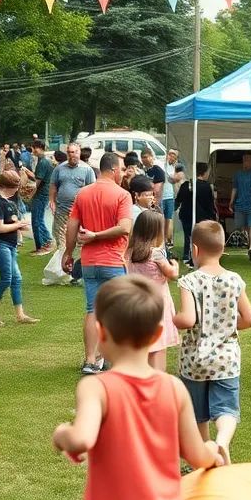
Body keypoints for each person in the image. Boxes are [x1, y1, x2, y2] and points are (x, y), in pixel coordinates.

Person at [52, 276, 223, 500]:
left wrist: (62, 434)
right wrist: (214, 451)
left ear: (100, 332)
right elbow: (196, 455)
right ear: (158, 334)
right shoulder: (174, 389)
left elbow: (82, 438)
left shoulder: (97, 387)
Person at [177, 220, 251, 465]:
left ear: (195, 249)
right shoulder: (234, 280)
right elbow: (249, 319)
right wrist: (228, 329)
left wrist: (173, 318)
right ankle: (222, 440)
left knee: (197, 413)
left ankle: (205, 457)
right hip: (227, 359)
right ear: (223, 249)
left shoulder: (189, 281)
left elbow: (188, 319)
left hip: (195, 360)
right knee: (227, 410)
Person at [63, 152, 133, 375]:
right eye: (121, 169)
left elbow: (72, 226)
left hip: (89, 262)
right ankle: (113, 357)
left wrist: (67, 252)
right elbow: (125, 228)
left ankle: (91, 360)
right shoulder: (122, 195)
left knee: (92, 310)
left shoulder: (83, 194)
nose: (122, 173)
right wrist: (96, 235)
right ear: (113, 170)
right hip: (113, 260)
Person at [125, 209, 180, 372]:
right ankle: (157, 380)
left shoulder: (130, 252)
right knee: (158, 344)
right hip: (158, 301)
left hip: (136, 300)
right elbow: (172, 274)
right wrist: (175, 266)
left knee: (142, 343)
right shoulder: (155, 253)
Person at [0, 170, 38, 326]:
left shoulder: (10, 202)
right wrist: (18, 225)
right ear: (10, 186)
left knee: (17, 279)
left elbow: (10, 224)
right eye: (16, 186)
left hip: (10, 244)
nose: (18, 189)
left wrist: (18, 228)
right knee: (6, 278)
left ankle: (20, 314)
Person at [50, 143, 96, 264]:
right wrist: (52, 201)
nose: (72, 155)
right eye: (70, 153)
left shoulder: (87, 170)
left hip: (79, 214)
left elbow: (92, 191)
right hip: (61, 211)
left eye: (75, 152)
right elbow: (53, 185)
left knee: (78, 241)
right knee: (61, 240)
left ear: (79, 153)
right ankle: (61, 267)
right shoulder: (59, 168)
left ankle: (76, 266)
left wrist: (86, 209)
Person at [175, 162, 217, 265]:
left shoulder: (186, 185)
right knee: (198, 238)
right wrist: (213, 216)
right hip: (201, 216)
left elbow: (178, 200)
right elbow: (209, 204)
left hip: (186, 214)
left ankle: (186, 255)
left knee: (188, 236)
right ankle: (196, 256)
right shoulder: (206, 187)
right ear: (205, 172)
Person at [28, 140, 54, 255]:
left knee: (36, 221)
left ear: (38, 148)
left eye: (33, 148)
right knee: (39, 219)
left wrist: (29, 192)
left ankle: (42, 245)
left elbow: (37, 182)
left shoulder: (43, 162)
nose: (32, 151)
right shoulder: (44, 161)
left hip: (41, 194)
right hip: (44, 194)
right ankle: (47, 240)